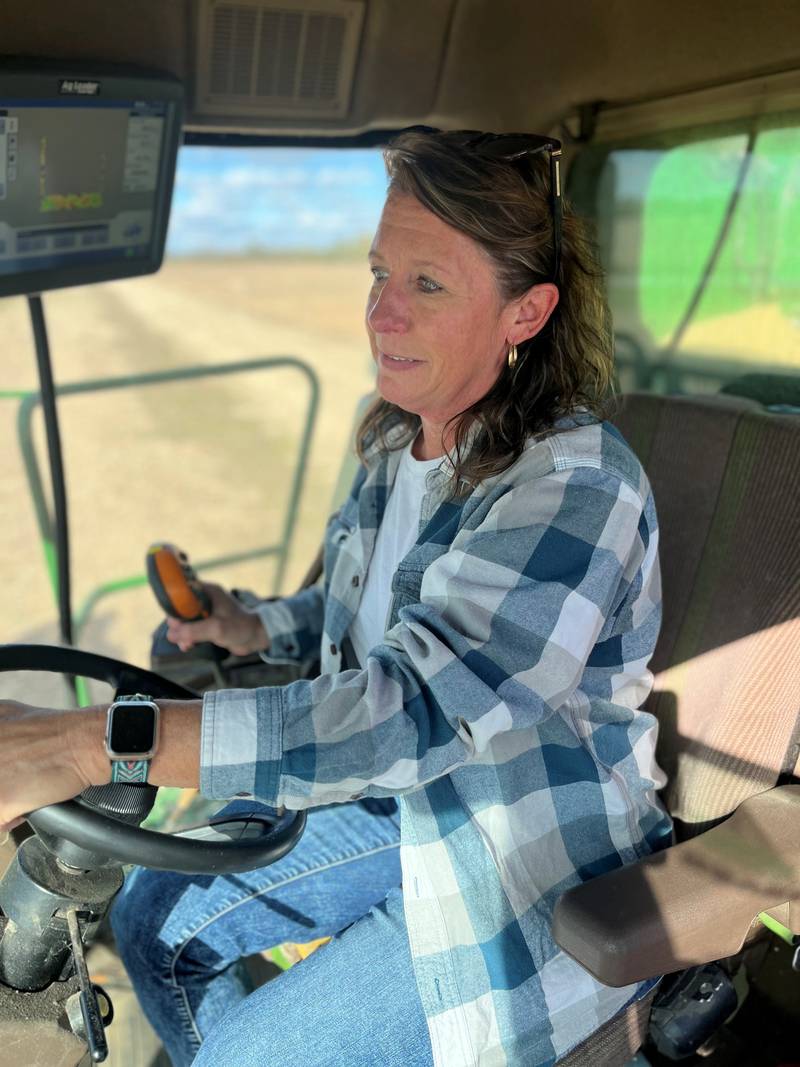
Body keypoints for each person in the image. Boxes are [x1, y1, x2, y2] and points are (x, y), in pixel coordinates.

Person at [0, 128, 671, 1067]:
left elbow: (417, 710)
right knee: (152, 926)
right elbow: (352, 623)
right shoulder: (402, 440)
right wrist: (249, 623)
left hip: (512, 853)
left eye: (427, 285)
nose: (382, 317)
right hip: (388, 802)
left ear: (526, 314)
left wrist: (92, 738)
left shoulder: (578, 485)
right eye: (377, 276)